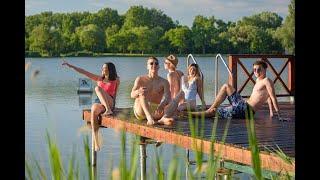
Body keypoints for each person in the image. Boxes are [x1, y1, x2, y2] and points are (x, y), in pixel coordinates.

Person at [191, 60, 283, 120]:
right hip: (243, 104)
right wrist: (271, 112)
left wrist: (279, 115)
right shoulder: (259, 80)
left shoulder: (267, 81)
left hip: (246, 111)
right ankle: (208, 109)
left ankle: (191, 114)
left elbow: (272, 97)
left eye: (259, 70)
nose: (256, 72)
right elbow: (267, 97)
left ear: (265, 69)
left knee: (214, 112)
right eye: (254, 70)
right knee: (226, 86)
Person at [62, 60, 120, 151]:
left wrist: (114, 105)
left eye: (105, 68)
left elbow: (115, 93)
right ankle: (96, 143)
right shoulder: (99, 79)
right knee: (93, 109)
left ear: (110, 69)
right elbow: (84, 72)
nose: (103, 69)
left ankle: (108, 110)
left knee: (97, 88)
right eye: (103, 68)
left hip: (110, 101)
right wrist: (70, 66)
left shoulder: (116, 80)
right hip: (100, 103)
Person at [131, 56, 172, 125]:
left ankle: (159, 120)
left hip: (156, 110)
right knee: (142, 92)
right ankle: (149, 118)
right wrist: (138, 91)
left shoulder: (164, 82)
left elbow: (167, 97)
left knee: (173, 102)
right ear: (147, 66)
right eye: (151, 63)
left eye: (156, 64)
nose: (154, 65)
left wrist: (162, 104)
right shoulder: (140, 79)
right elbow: (132, 94)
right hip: (141, 111)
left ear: (159, 66)